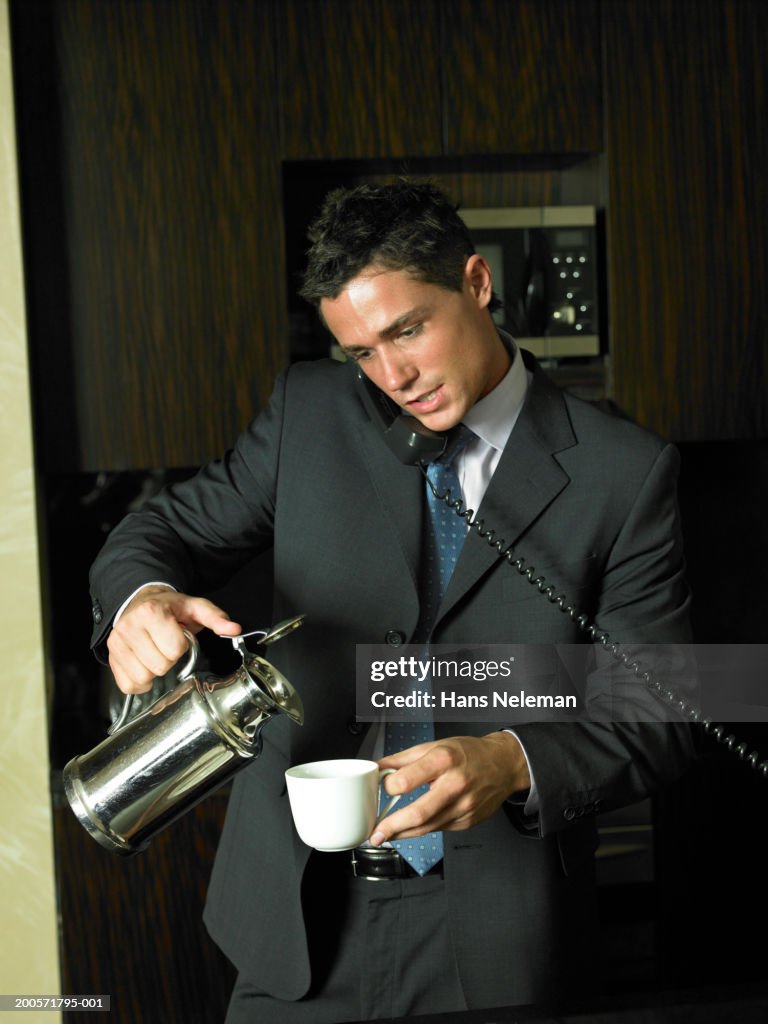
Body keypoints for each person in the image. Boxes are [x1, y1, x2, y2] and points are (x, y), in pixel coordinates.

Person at [89, 182, 694, 1022]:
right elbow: (156, 533)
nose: (394, 375)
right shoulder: (311, 413)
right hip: (295, 925)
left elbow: (667, 706)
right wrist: (142, 601)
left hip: (500, 939)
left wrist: (513, 760)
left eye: (408, 330)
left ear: (477, 284)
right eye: (363, 352)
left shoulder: (625, 472)